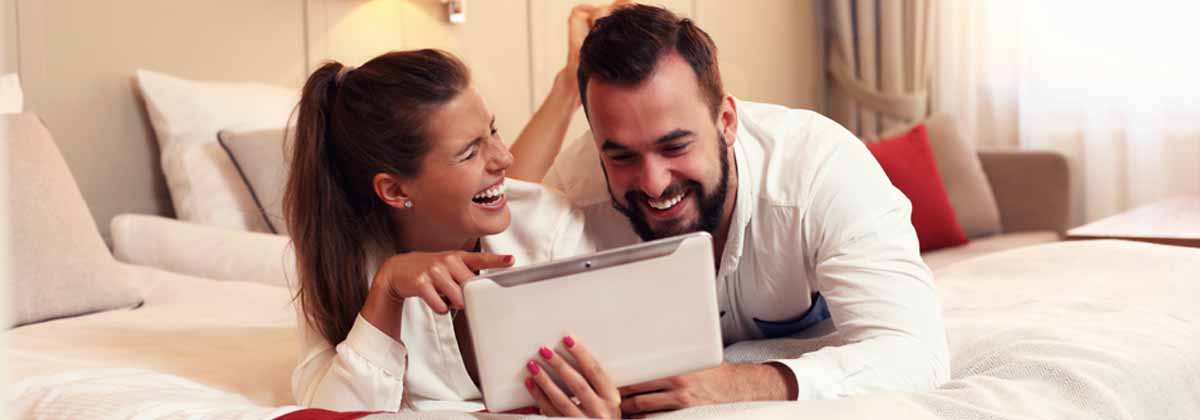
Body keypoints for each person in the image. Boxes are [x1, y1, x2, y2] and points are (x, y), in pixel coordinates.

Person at [512, 5, 950, 417]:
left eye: (675, 146)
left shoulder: (819, 168)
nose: (654, 182)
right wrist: (568, 85)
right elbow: (507, 226)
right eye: (622, 157)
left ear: (727, 122)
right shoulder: (577, 186)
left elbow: (917, 355)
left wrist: (740, 384)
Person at [285, 4, 628, 412]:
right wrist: (388, 289)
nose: (504, 158)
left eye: (494, 131)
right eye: (469, 152)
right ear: (394, 190)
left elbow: (619, 370)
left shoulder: (549, 229)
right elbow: (330, 410)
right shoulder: (339, 262)